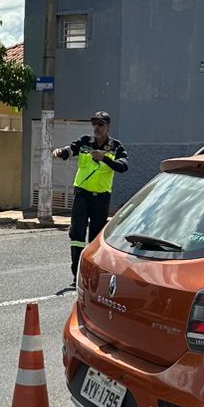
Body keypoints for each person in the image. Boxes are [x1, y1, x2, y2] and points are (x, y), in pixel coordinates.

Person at [53, 111, 128, 290]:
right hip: (82, 194)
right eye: (94, 123)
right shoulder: (85, 141)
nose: (97, 127)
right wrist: (60, 152)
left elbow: (124, 166)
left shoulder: (115, 146)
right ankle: (77, 274)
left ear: (108, 127)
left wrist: (105, 159)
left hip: (101, 198)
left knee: (95, 237)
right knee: (77, 234)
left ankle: (92, 274)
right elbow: (71, 149)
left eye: (101, 124)